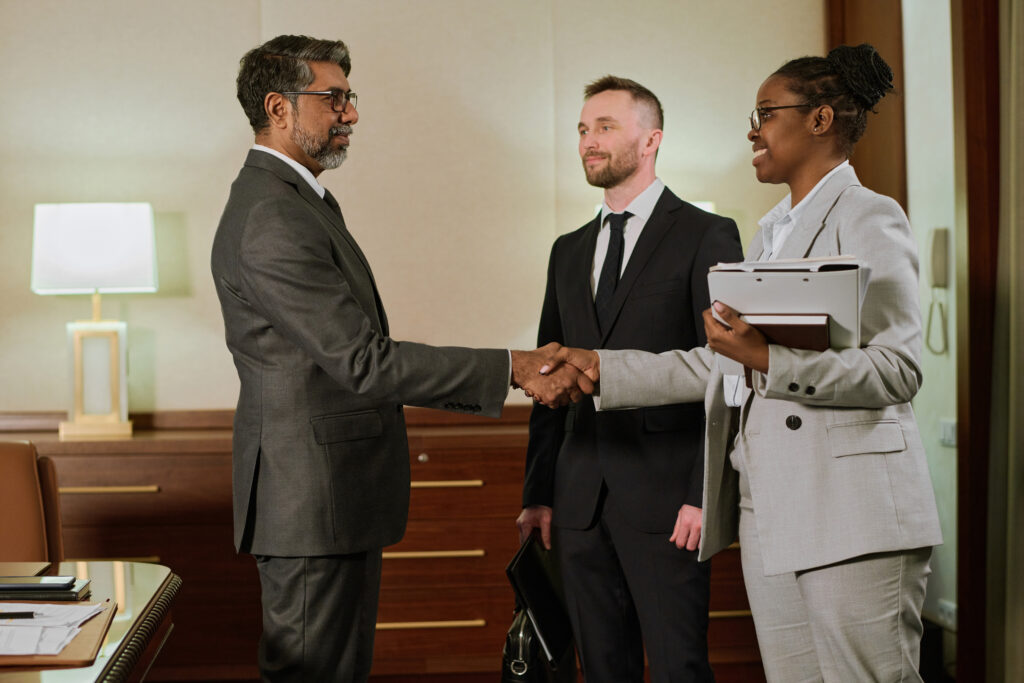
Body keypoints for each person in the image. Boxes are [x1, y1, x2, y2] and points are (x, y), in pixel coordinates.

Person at [542, 44, 942, 682]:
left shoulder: (870, 216)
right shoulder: (769, 233)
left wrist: (767, 357)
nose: (752, 130)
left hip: (851, 513)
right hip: (771, 511)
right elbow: (720, 367)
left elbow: (896, 371)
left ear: (820, 120)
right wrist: (602, 367)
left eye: (765, 112)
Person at [210, 35, 588, 682]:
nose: (351, 114)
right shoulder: (272, 214)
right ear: (278, 107)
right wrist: (513, 367)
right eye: (334, 99)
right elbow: (362, 361)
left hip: (331, 503)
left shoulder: (296, 201)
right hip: (310, 509)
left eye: (349, 98)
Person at [516, 76, 742, 682]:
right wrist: (538, 492)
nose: (589, 141)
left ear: (651, 140)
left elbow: (727, 370)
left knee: (678, 667)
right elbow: (548, 378)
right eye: (584, 129)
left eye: (606, 127)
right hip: (578, 501)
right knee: (602, 670)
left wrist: (705, 492)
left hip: (671, 501)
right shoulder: (567, 250)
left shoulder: (706, 234)